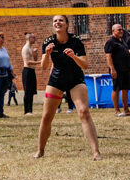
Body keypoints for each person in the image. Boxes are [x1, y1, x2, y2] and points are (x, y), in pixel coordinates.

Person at [36, 15, 100, 160]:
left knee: (84, 112)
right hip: (56, 80)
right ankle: (40, 150)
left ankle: (96, 152)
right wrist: (47, 54)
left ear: (66, 25)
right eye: (55, 21)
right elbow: (44, 67)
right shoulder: (48, 42)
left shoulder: (76, 41)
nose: (57, 23)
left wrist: (73, 56)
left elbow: (85, 65)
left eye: (61, 20)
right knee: (46, 117)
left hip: (75, 79)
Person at [105, 24, 130, 117]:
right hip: (117, 69)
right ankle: (117, 110)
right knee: (116, 89)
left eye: (122, 30)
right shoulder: (110, 42)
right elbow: (108, 56)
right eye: (119, 30)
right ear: (113, 31)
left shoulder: (123, 41)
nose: (121, 31)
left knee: (125, 89)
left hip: (126, 69)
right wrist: (112, 69)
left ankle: (126, 109)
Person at [21, 33, 40, 115]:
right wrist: (40, 62)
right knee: (27, 91)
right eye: (33, 38)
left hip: (32, 71)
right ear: (29, 38)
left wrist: (35, 54)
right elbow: (27, 62)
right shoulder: (25, 48)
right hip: (27, 71)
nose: (35, 39)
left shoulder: (31, 48)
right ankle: (26, 111)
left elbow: (34, 59)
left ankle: (30, 110)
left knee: (32, 91)